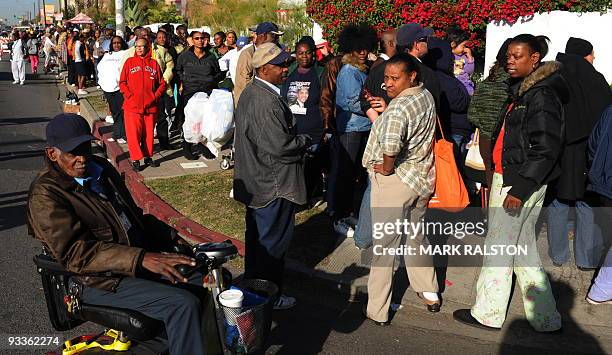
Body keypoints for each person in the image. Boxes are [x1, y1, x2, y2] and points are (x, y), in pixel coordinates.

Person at [27, 114, 208, 355]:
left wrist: (172, 237)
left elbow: (135, 216)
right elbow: (76, 255)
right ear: (52, 154)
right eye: (72, 153)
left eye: (85, 147)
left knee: (204, 280)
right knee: (181, 304)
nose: (82, 158)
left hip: (133, 262)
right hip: (95, 280)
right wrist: (141, 258)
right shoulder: (46, 195)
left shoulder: (101, 169)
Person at [453, 34, 567, 333]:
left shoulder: (540, 95)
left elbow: (546, 147)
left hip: (519, 181)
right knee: (523, 249)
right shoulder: (525, 91)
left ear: (535, 60)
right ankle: (546, 318)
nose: (510, 60)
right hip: (516, 177)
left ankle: (487, 313)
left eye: (518, 56)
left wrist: (520, 188)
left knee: (499, 247)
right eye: (509, 55)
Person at [362, 53, 439, 325]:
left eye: (395, 78)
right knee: (416, 236)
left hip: (397, 181)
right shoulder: (424, 95)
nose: (388, 84)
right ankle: (429, 291)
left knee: (384, 247)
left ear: (412, 76)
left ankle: (377, 310)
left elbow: (391, 147)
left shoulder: (398, 108)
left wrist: (385, 167)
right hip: (422, 178)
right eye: (386, 78)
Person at [233, 43, 308, 310]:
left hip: (259, 182)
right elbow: (279, 147)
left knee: (258, 244)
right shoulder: (264, 100)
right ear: (264, 69)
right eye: (281, 65)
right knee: (270, 247)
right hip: (271, 185)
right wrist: (304, 141)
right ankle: (267, 299)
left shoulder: (254, 92)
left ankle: (256, 293)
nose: (286, 69)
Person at [546, 37, 612, 270]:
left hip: (559, 150)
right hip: (588, 152)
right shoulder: (596, 80)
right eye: (593, 54)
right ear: (585, 55)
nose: (594, 58)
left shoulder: (553, 76)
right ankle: (585, 259)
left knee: (558, 201)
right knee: (586, 203)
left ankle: (558, 255)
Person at [326, 24, 377, 237]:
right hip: (351, 129)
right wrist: (373, 106)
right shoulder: (349, 72)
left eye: (365, 48)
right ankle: (339, 216)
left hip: (361, 127)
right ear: (350, 50)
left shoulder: (359, 71)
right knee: (345, 174)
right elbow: (352, 102)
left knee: (354, 173)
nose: (363, 52)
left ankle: (347, 213)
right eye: (359, 49)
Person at [361, 23, 441, 124]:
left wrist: (378, 124)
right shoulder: (426, 73)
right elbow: (432, 110)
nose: (389, 83)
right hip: (411, 136)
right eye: (424, 40)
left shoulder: (379, 68)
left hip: (383, 134)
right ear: (416, 45)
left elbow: (364, 99)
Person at [282, 38, 326, 205]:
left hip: (314, 127)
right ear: (296, 55)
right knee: (296, 164)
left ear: (313, 54)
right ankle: (297, 195)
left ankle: (311, 195)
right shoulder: (290, 71)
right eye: (300, 53)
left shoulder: (321, 72)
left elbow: (325, 101)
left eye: (307, 52)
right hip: (294, 127)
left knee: (312, 164)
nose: (304, 56)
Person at [468, 38, 512, 188]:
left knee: (490, 179)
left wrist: (485, 124)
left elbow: (472, 115)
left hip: (485, 141)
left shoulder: (486, 83)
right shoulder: (515, 85)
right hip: (506, 142)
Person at [175, 30, 225, 160]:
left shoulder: (211, 56)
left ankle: (204, 147)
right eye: (197, 38)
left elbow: (217, 73)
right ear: (192, 40)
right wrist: (184, 81)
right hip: (190, 92)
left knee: (206, 121)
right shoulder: (184, 56)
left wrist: (211, 80)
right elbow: (177, 71)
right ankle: (187, 147)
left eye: (202, 38)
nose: (200, 41)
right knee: (190, 122)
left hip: (207, 92)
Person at [119, 38, 166, 172]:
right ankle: (135, 159)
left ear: (148, 47)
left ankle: (148, 156)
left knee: (148, 133)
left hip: (150, 107)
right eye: (137, 46)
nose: (140, 49)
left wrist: (155, 96)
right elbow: (122, 82)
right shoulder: (129, 62)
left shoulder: (154, 64)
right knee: (134, 134)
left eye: (142, 46)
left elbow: (162, 84)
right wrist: (129, 95)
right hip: (132, 106)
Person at [586, 105, 612, 305]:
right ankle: (601, 290)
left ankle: (602, 290)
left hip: (603, 182)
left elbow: (594, 143)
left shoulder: (609, 110)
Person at [233, 22, 283, 105]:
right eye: (274, 36)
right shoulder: (248, 54)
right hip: (250, 104)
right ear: (264, 36)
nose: (277, 39)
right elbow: (243, 82)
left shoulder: (275, 51)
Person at [98, 36, 128, 141]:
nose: (116, 45)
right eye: (114, 43)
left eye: (118, 43)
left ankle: (123, 134)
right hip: (108, 87)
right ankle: (116, 133)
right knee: (114, 111)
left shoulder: (126, 53)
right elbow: (100, 68)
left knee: (122, 111)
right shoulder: (107, 55)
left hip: (120, 88)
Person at [447, 28, 475, 96]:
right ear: (453, 44)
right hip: (453, 85)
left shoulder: (464, 56)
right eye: (463, 46)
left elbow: (469, 71)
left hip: (465, 84)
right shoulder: (447, 56)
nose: (465, 48)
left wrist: (470, 58)